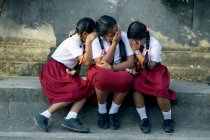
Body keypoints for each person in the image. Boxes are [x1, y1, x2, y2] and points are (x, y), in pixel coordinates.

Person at [34, 17, 97, 133]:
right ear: (85, 34)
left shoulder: (79, 42)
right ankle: (44, 115)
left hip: (63, 70)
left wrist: (74, 71)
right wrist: (89, 42)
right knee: (79, 90)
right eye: (93, 35)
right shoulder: (73, 41)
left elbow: (77, 65)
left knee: (87, 88)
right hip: (53, 71)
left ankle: (70, 118)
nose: (95, 38)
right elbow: (87, 62)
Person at [126, 21, 176, 133]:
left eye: (136, 39)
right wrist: (132, 68)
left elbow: (151, 66)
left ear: (144, 37)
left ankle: (168, 119)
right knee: (136, 87)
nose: (134, 42)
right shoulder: (133, 43)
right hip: (141, 71)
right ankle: (144, 119)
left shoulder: (154, 43)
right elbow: (131, 60)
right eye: (132, 39)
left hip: (156, 71)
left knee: (160, 90)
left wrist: (137, 51)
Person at [87, 15, 134, 130]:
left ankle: (113, 112)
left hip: (117, 67)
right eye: (112, 34)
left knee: (126, 79)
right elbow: (102, 64)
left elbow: (131, 62)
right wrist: (114, 43)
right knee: (102, 79)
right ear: (103, 35)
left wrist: (113, 68)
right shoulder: (96, 41)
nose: (116, 35)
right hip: (100, 70)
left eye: (116, 30)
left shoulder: (122, 36)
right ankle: (102, 112)